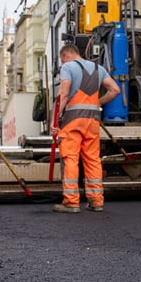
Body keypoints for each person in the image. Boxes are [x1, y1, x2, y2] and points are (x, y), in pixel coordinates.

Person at [50, 43, 120, 213]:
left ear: (65, 55)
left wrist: (55, 119)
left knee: (71, 159)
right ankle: (96, 201)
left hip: (73, 120)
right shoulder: (99, 68)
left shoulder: (67, 66)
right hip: (92, 121)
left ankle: (71, 202)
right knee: (92, 159)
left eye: (61, 59)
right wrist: (98, 103)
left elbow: (64, 93)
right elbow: (115, 90)